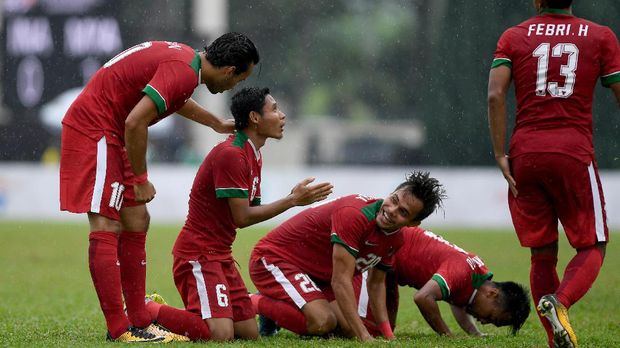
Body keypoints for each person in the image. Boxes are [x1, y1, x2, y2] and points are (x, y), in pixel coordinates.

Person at [59, 33, 260, 342]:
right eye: (240, 78)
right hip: (96, 128)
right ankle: (120, 328)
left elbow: (168, 97)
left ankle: (140, 318)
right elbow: (135, 122)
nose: (234, 87)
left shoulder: (186, 63)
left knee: (138, 220)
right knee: (106, 222)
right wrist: (140, 179)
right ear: (229, 70)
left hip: (114, 129)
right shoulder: (182, 71)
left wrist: (214, 123)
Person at [141, 87, 333, 342]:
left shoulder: (253, 154)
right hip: (198, 255)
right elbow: (242, 218)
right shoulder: (231, 154)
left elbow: (247, 213)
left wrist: (292, 200)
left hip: (220, 255)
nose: (282, 116)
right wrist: (292, 200)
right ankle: (147, 309)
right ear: (255, 118)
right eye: (275, 109)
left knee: (247, 333)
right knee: (219, 335)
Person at [487, 0, 620, 347]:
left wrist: (500, 153)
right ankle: (559, 302)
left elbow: (495, 94)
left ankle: (554, 340)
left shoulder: (514, 36)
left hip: (525, 154)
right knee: (594, 245)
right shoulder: (600, 36)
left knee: (542, 253)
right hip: (572, 152)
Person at [249, 171, 446, 342]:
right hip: (273, 259)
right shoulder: (355, 215)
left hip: (315, 274)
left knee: (348, 330)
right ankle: (251, 301)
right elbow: (341, 280)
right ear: (390, 194)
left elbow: (376, 284)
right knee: (322, 322)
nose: (391, 211)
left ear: (413, 224)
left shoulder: (396, 239)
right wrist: (365, 338)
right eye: (394, 200)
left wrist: (387, 335)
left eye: (403, 212)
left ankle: (282, 303)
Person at [353, 226, 530, 338]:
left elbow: (457, 300)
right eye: (491, 317)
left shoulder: (476, 277)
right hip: (379, 252)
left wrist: (474, 333)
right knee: (361, 328)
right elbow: (423, 297)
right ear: (492, 293)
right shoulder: (463, 271)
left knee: (384, 331)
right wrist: (447, 335)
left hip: (390, 268)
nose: (484, 321)